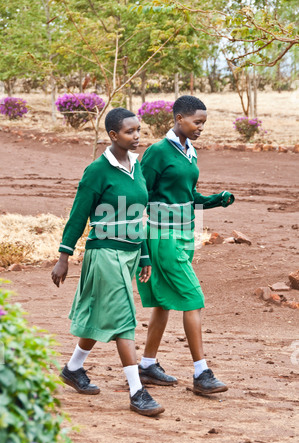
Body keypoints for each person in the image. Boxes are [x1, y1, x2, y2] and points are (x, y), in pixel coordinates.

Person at [51, 107, 164, 417]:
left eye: (139, 130)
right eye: (130, 132)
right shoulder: (97, 171)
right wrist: (64, 257)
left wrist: (143, 255)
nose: (137, 136)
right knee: (124, 317)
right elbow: (77, 216)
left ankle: (73, 368)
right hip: (105, 254)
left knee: (105, 314)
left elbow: (137, 215)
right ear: (113, 135)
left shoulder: (136, 166)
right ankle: (137, 391)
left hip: (129, 255)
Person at [137, 95, 235, 395]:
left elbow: (188, 195)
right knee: (194, 299)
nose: (200, 128)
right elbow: (139, 194)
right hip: (163, 237)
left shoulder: (189, 151)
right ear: (179, 119)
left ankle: (147, 365)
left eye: (203, 123)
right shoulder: (157, 152)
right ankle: (201, 373)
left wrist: (216, 200)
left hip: (184, 235)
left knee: (164, 304)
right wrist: (142, 247)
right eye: (196, 122)